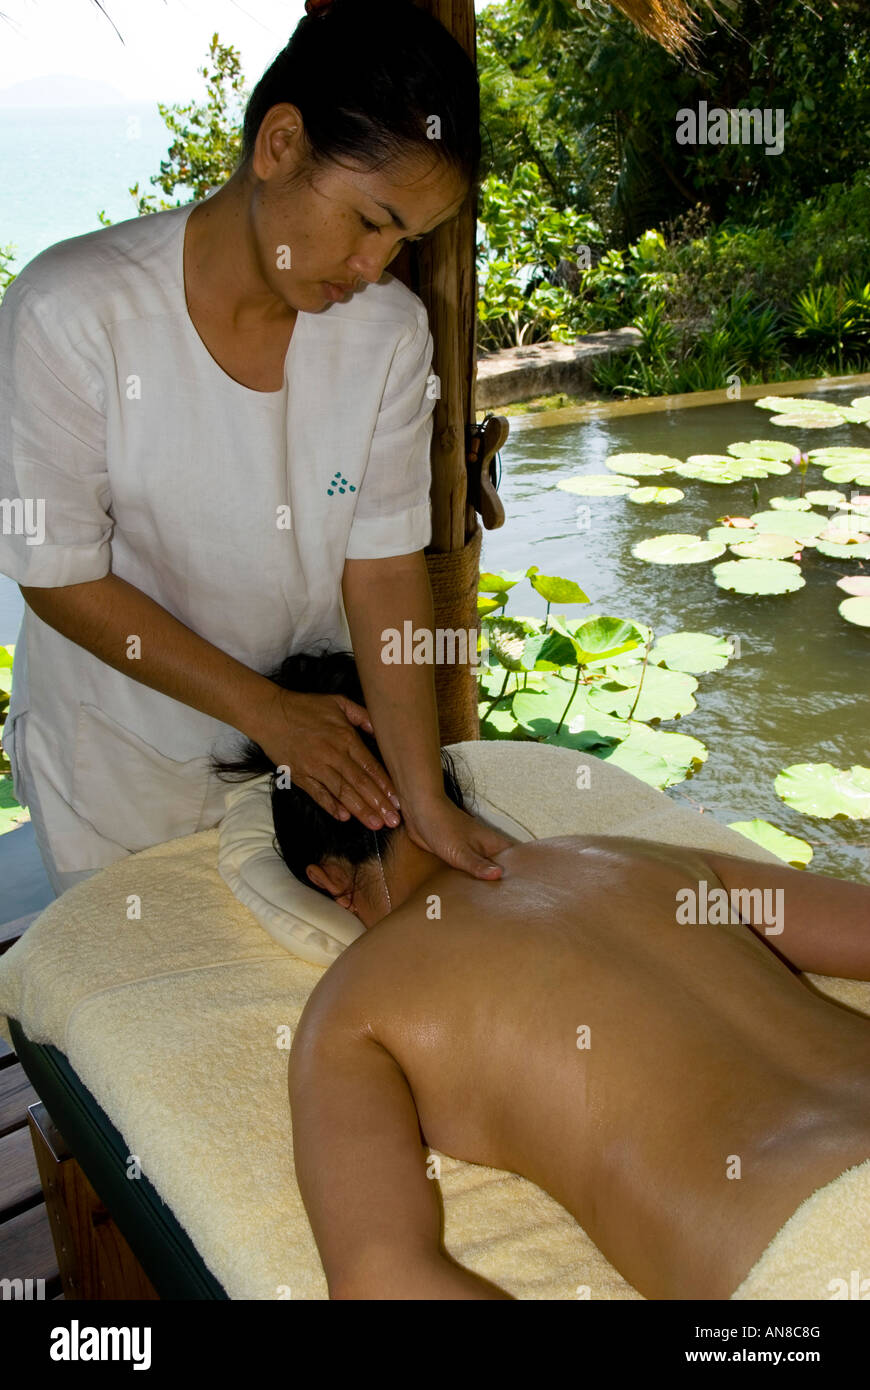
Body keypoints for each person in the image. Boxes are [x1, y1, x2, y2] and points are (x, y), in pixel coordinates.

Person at [0, 0, 511, 898]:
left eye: (404, 239)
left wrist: (423, 794)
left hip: (299, 764)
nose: (375, 265)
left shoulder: (387, 334)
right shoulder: (71, 312)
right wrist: (269, 714)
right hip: (126, 758)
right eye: (368, 219)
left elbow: (383, 569)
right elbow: (60, 579)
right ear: (279, 144)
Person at [215, 648, 870, 1301]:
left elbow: (380, 1280)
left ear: (328, 882)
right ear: (445, 794)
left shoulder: (354, 1009)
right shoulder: (634, 860)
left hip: (811, 1258)